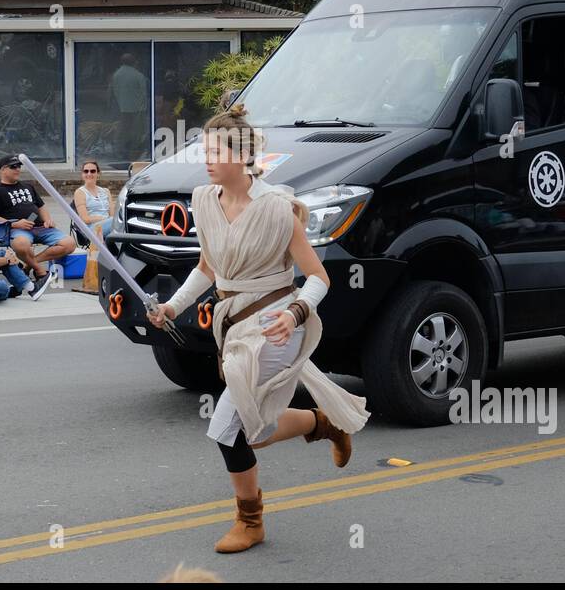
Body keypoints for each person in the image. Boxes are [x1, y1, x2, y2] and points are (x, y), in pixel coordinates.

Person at [148, 103, 370, 554]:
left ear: (241, 155)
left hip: (274, 326)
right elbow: (208, 267)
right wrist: (173, 306)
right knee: (256, 430)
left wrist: (295, 315)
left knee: (227, 427)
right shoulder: (204, 201)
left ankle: (250, 521)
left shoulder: (277, 210)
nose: (205, 160)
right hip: (233, 328)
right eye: (203, 151)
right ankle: (322, 423)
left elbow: (318, 279)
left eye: (213, 151)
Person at [0, 155, 76, 289]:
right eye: (13, 167)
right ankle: (40, 271)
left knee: (69, 244)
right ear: (3, 170)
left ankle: (29, 265)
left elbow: (41, 206)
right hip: (17, 229)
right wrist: (14, 224)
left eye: (19, 166)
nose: (18, 169)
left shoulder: (28, 186)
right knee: (22, 244)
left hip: (40, 227)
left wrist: (47, 219)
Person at [72, 160, 114, 240]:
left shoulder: (106, 191)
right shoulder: (80, 192)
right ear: (82, 174)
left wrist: (109, 220)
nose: (89, 174)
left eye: (93, 171)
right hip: (91, 228)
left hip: (108, 225)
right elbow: (85, 219)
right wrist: (103, 219)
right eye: (86, 171)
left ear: (98, 174)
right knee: (118, 223)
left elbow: (112, 214)